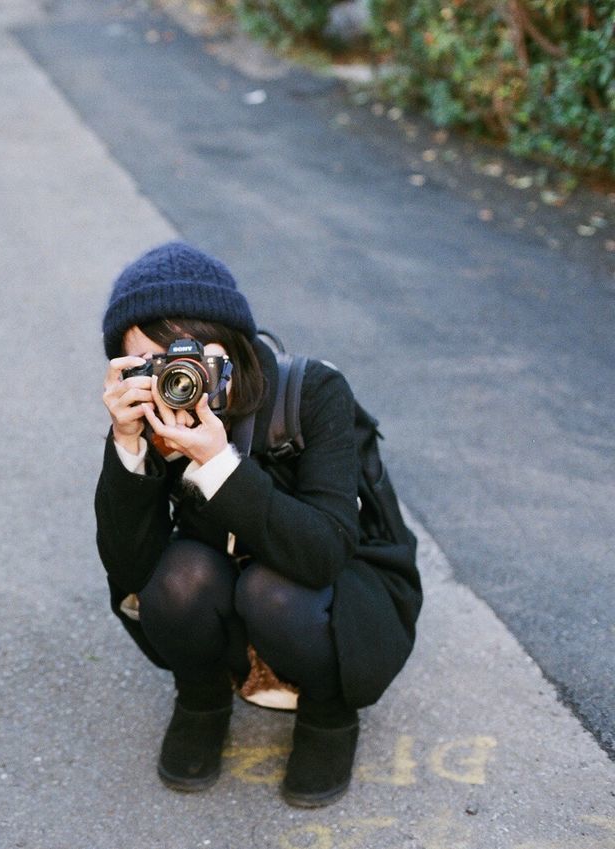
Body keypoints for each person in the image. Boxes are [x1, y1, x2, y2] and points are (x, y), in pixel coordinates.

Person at [95, 240, 422, 807]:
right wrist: (128, 447)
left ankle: (328, 713)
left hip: (332, 587)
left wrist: (217, 463)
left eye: (188, 353)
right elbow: (129, 572)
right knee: (177, 576)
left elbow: (324, 554)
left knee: (272, 589)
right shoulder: (150, 421)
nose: (177, 376)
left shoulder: (312, 393)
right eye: (150, 365)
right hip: (224, 577)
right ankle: (201, 700)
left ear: (235, 344)